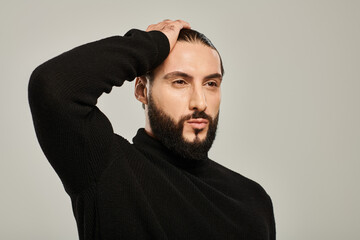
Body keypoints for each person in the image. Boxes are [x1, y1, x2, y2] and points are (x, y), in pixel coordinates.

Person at [28, 19, 276, 240]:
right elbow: (52, 87)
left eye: (211, 83)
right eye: (180, 81)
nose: (200, 102)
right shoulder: (108, 168)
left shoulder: (253, 200)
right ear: (141, 91)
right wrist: (153, 43)